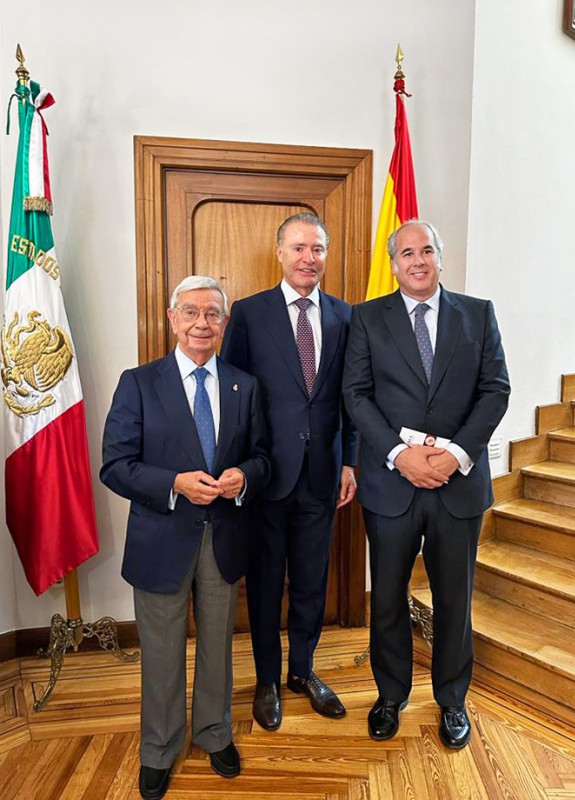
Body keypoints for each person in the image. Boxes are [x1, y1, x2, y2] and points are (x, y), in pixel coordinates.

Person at [101, 276, 270, 800]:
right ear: (172, 318)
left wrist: (245, 476)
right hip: (161, 540)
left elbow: (263, 458)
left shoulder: (245, 385)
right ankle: (159, 748)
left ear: (223, 323)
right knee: (161, 649)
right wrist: (173, 483)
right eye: (191, 313)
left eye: (212, 314)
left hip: (223, 538)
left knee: (218, 644)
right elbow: (115, 465)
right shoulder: (138, 382)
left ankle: (215, 732)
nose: (202, 323)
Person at [342, 220, 510, 749]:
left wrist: (456, 454)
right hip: (392, 486)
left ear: (440, 257)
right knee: (388, 597)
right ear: (393, 264)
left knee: (454, 599)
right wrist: (399, 454)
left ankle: (453, 699)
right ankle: (390, 696)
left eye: (427, 250)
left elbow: (496, 390)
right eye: (407, 252)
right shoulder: (367, 318)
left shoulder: (477, 314)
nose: (418, 260)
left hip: (457, 486)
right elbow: (357, 395)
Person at [221, 212, 358, 731]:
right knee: (263, 584)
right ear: (279, 253)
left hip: (323, 474)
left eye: (318, 249)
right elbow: (235, 397)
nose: (309, 258)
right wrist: (239, 468)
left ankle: (303, 671)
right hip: (265, 476)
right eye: (299, 248)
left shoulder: (347, 316)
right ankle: (267, 681)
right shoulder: (250, 313)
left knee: (309, 582)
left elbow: (351, 398)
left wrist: (350, 460)